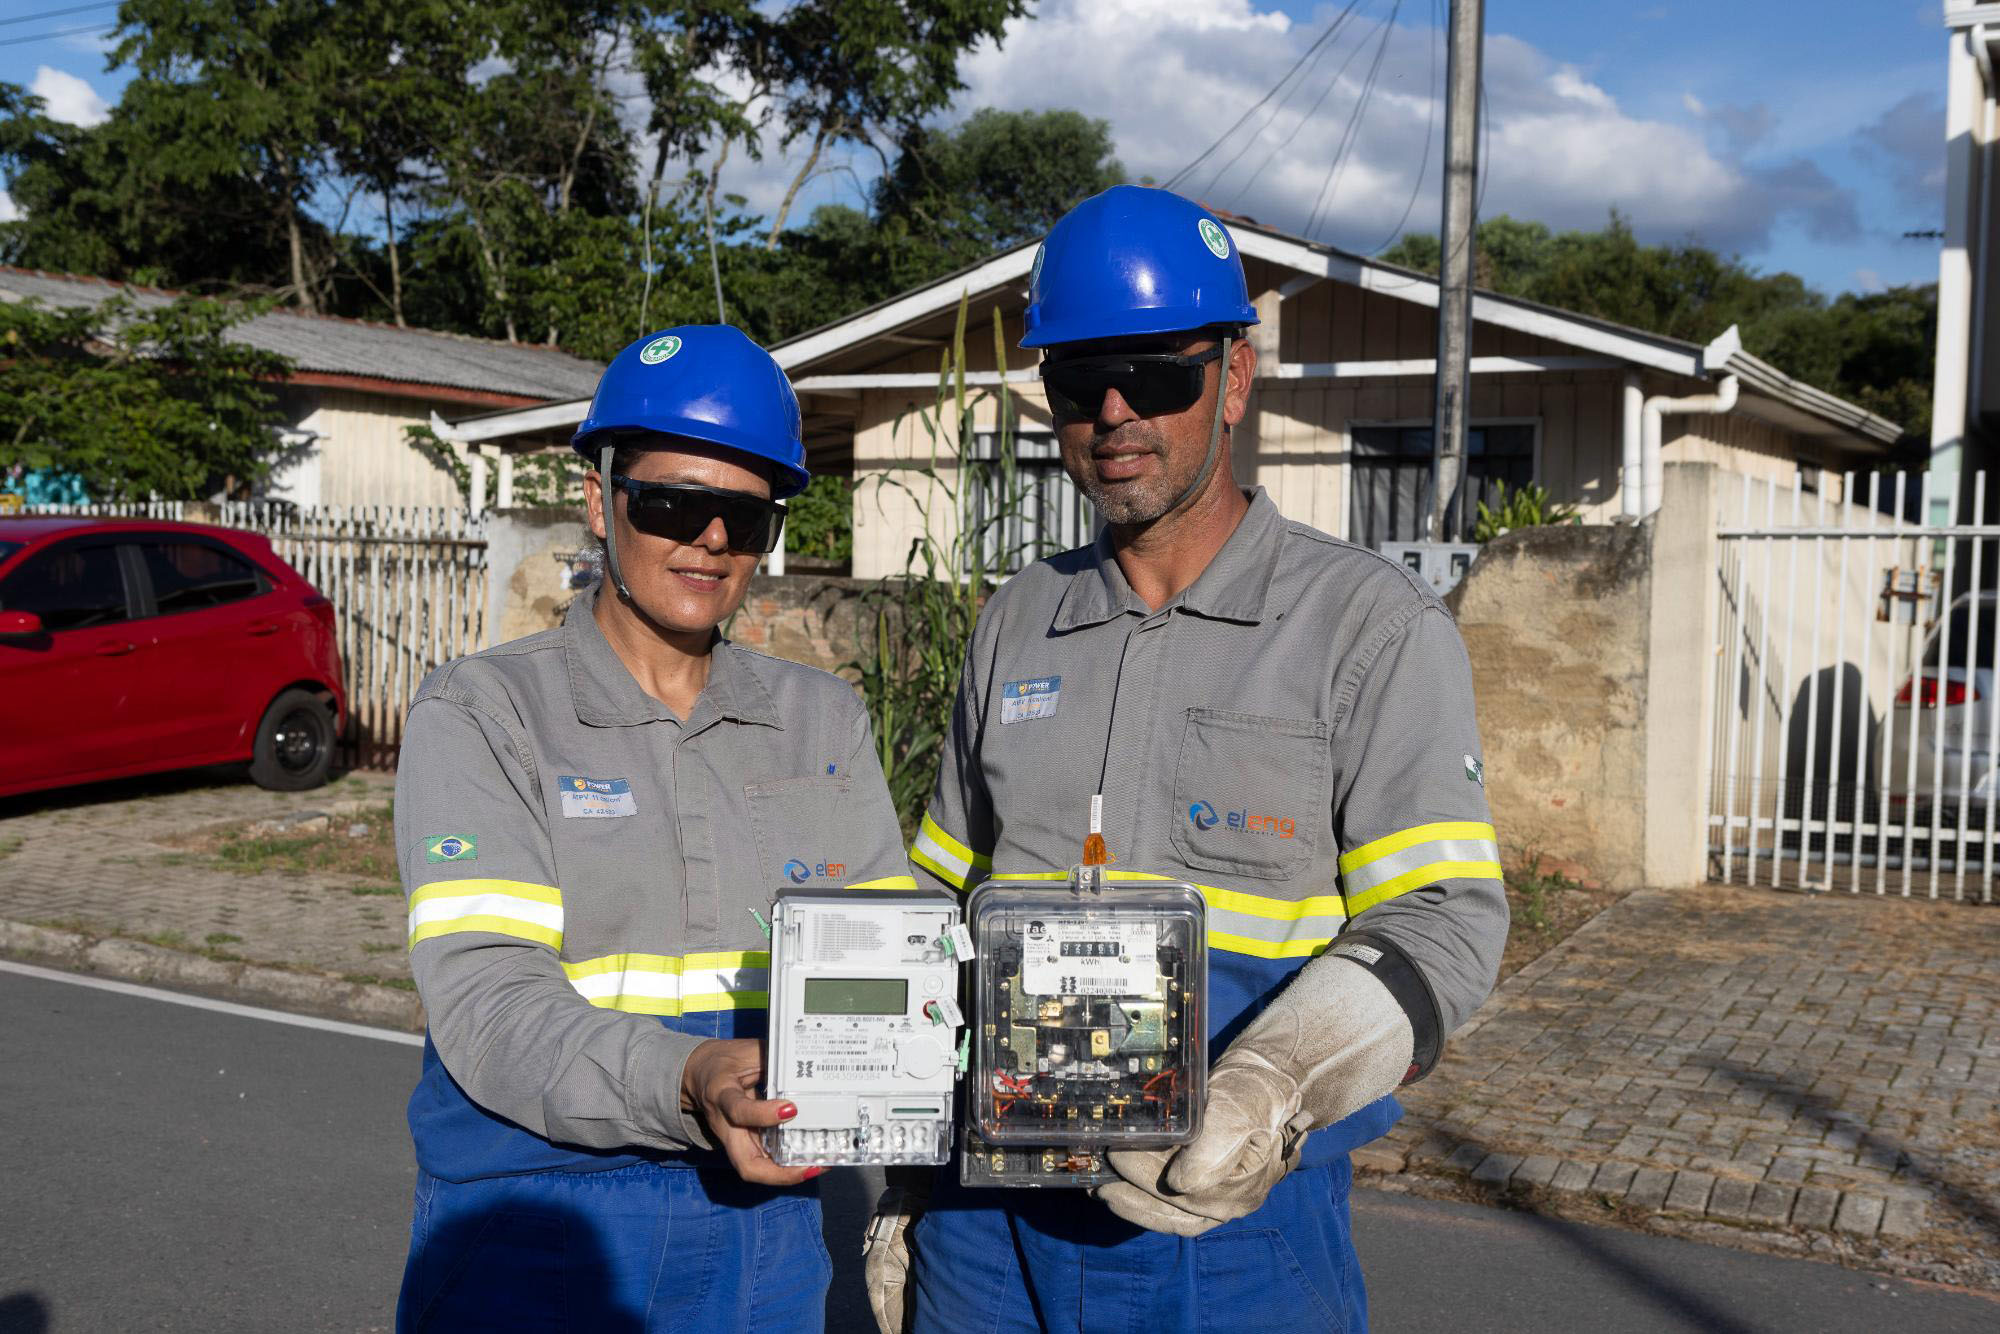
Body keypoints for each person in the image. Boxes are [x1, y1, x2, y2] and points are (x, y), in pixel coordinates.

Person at [867, 186, 1509, 1332]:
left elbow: (1442, 918)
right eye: (1077, 384)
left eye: (1156, 377)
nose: (1114, 412)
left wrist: (1270, 1086)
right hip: (984, 1228)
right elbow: (936, 893)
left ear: (1236, 376)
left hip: (1223, 1230)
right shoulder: (1016, 620)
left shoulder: (1366, 626)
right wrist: (906, 1144)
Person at [393, 324, 915, 1332]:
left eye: (744, 515)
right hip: (537, 1215)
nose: (710, 540)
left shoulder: (821, 719)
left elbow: (893, 970)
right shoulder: (486, 711)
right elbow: (488, 1000)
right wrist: (684, 1076)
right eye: (674, 502)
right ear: (599, 496)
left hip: (763, 1219)